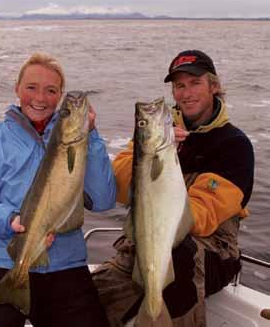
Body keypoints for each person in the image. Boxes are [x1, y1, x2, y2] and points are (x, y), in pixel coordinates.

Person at [0, 52, 116, 327]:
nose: (40, 98)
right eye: (31, 88)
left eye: (51, 90)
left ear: (60, 95)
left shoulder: (79, 141)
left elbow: (102, 200)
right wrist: (13, 221)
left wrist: (92, 135)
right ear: (17, 89)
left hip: (65, 265)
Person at [92, 49, 255, 326]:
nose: (186, 93)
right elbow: (119, 186)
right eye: (179, 85)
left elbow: (200, 218)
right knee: (78, 298)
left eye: (195, 83)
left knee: (180, 254)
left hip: (211, 250)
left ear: (214, 86)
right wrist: (150, 152)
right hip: (146, 243)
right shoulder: (157, 132)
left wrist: (167, 165)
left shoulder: (234, 145)